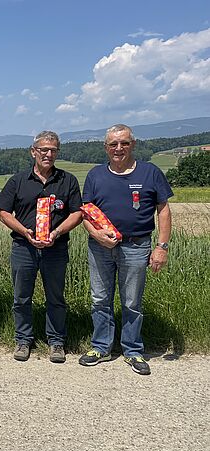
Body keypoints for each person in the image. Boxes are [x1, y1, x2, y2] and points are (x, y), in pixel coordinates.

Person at [79, 124, 173, 375]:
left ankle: (132, 350)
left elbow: (163, 210)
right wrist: (96, 233)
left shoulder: (150, 172)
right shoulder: (96, 175)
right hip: (100, 247)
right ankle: (101, 347)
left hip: (136, 245)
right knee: (100, 299)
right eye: (113, 144)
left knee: (132, 301)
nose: (118, 148)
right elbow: (86, 212)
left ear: (133, 144)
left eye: (124, 143)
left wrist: (161, 247)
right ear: (106, 147)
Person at [0, 131, 82, 363]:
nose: (48, 154)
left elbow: (77, 213)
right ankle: (23, 340)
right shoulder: (18, 180)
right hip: (24, 247)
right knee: (21, 297)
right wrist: (24, 231)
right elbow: (4, 213)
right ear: (33, 151)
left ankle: (56, 341)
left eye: (53, 150)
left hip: (56, 248)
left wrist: (57, 232)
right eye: (43, 149)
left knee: (55, 297)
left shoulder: (68, 180)